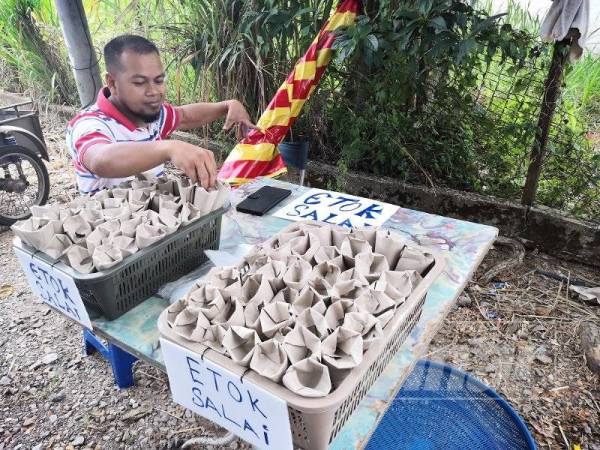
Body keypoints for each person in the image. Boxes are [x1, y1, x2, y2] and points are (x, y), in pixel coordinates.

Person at [66, 34, 256, 194]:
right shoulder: (89, 124)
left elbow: (185, 115)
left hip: (158, 224)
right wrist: (169, 148)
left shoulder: (150, 114)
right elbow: (100, 160)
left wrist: (226, 106)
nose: (153, 91)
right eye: (140, 82)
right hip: (112, 233)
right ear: (113, 83)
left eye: (158, 80)